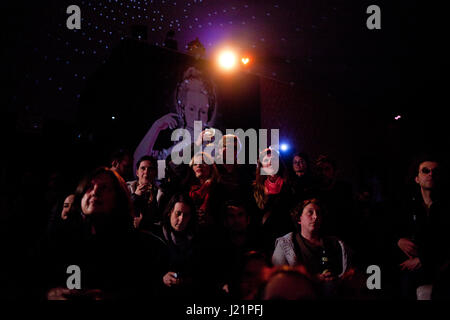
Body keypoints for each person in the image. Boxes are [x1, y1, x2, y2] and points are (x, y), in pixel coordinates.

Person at [44, 167, 151, 300]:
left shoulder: (134, 245)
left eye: (105, 187)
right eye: (90, 186)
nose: (95, 192)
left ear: (118, 198)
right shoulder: (60, 239)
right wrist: (50, 293)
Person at [133, 66, 217, 169]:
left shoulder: (213, 147)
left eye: (203, 111)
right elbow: (139, 166)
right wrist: (156, 127)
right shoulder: (174, 149)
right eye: (191, 109)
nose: (197, 116)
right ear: (182, 109)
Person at [272, 198, 354, 298]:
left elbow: (349, 275)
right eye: (310, 213)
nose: (315, 217)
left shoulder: (336, 244)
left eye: (318, 213)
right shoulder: (286, 244)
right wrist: (312, 279)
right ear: (299, 218)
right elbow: (277, 280)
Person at [394, 156, 450, 299]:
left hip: (440, 266)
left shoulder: (447, 207)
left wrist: (423, 260)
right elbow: (389, 229)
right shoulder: (408, 206)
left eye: (435, 172)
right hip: (414, 268)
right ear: (417, 178)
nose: (431, 174)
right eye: (425, 171)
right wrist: (397, 240)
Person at [141, 193, 199, 298]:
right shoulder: (154, 236)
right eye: (178, 213)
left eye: (186, 215)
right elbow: (143, 271)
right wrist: (161, 278)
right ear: (170, 212)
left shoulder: (196, 238)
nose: (181, 219)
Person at [252, 148, 293, 255]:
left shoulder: (290, 185)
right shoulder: (256, 188)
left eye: (273, 160)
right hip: (264, 236)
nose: (270, 163)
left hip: (286, 235)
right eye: (266, 161)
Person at [127, 155, 162, 229]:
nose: (146, 172)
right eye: (143, 168)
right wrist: (135, 196)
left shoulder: (161, 194)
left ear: (155, 173)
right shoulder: (127, 188)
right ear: (137, 172)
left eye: (150, 169)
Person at [187, 152, 220, 228]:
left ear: (211, 167)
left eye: (203, 162)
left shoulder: (217, 188)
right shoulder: (188, 190)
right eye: (195, 164)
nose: (199, 165)